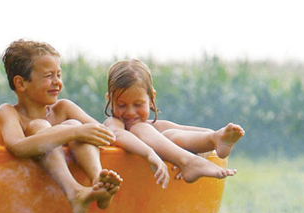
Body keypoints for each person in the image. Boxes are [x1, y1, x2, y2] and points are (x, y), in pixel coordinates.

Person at [0, 39, 122, 213]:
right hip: (14, 193)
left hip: (52, 199)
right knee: (43, 126)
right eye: (49, 76)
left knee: (75, 124)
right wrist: (73, 133)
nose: (57, 82)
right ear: (21, 83)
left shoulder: (64, 108)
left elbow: (103, 134)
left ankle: (98, 183)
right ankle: (74, 191)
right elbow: (17, 146)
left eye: (59, 75)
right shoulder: (9, 112)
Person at [103, 59, 244, 186]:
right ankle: (187, 161)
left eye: (138, 104)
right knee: (139, 129)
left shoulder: (156, 126)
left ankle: (200, 153)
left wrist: (202, 152)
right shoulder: (114, 123)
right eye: (121, 105)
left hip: (161, 187)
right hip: (127, 183)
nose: (130, 112)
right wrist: (149, 153)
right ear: (110, 100)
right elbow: (116, 134)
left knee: (170, 134)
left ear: (151, 99)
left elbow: (201, 134)